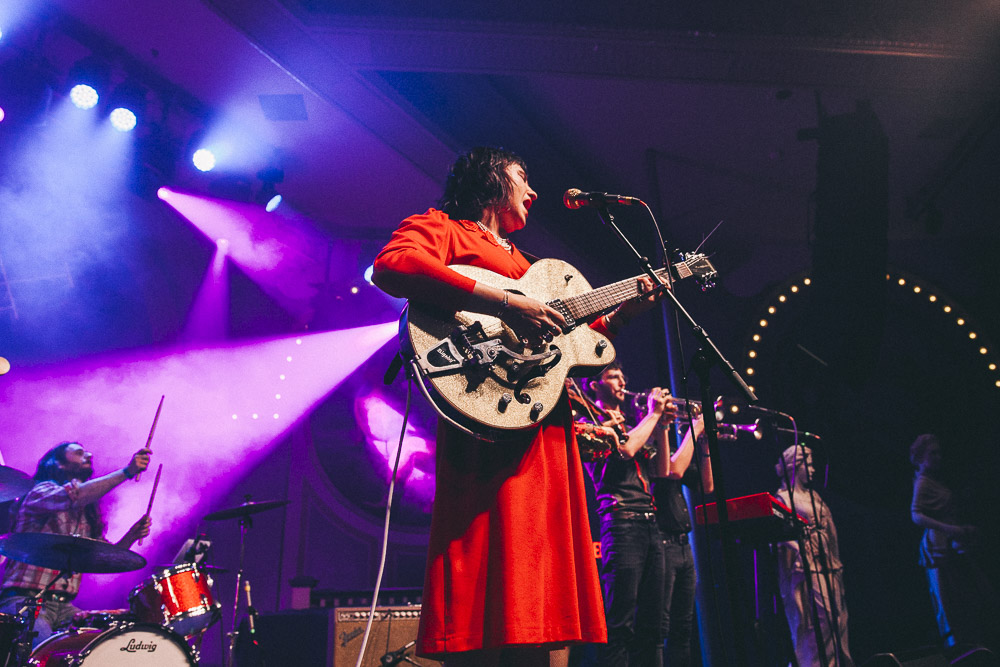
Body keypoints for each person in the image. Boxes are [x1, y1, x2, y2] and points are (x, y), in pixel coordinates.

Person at [372, 146, 663, 667]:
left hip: (544, 419)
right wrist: (509, 303)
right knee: (491, 548)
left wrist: (626, 308)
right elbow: (394, 265)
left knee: (545, 567)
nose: (533, 190)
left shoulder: (529, 266)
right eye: (522, 176)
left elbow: (582, 342)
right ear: (489, 177)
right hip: (489, 413)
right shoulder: (443, 226)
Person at [0, 442, 152, 646]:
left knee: (103, 645)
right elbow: (76, 495)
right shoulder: (40, 492)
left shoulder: (85, 514)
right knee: (46, 651)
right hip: (24, 601)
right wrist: (127, 472)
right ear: (59, 464)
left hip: (65, 607)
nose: (89, 454)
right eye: (79, 453)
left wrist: (132, 535)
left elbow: (107, 558)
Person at [575, 362, 674, 666]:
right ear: (595, 385)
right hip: (621, 524)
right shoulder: (588, 421)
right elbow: (626, 450)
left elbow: (664, 471)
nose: (621, 382)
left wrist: (662, 428)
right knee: (620, 623)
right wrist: (654, 415)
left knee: (654, 626)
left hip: (650, 524)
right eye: (613, 376)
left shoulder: (634, 424)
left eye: (622, 376)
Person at [909, 434, 996, 654]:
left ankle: (972, 644)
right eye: (932, 453)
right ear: (921, 457)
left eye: (939, 453)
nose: (938, 457)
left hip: (952, 542)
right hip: (939, 545)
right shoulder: (923, 482)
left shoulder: (935, 481)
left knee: (966, 594)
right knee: (948, 599)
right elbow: (916, 514)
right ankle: (958, 649)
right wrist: (949, 529)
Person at [774, 445, 853, 667]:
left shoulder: (813, 495)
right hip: (806, 566)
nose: (813, 469)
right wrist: (798, 546)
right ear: (794, 466)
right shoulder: (783, 499)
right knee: (821, 619)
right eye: (808, 464)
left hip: (827, 562)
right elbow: (777, 533)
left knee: (838, 618)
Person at [651, 402, 709, 667]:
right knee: (660, 628)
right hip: (662, 542)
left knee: (683, 628)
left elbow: (707, 486)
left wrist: (705, 447)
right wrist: (695, 430)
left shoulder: (676, 450)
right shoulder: (650, 446)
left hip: (685, 546)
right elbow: (674, 470)